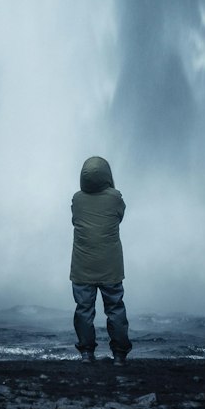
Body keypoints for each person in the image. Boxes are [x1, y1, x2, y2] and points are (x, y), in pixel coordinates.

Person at [70, 156, 132, 364]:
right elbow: (119, 216)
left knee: (84, 310)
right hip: (110, 266)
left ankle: (87, 354)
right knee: (115, 308)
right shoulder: (115, 198)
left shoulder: (77, 199)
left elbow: (74, 220)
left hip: (82, 266)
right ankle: (120, 355)